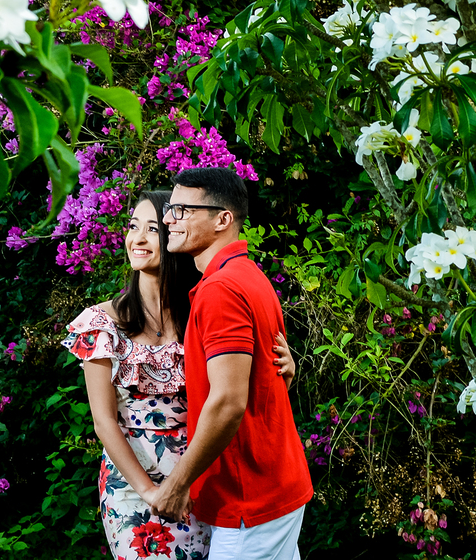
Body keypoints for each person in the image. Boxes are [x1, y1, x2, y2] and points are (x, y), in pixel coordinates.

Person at [62, 190, 296, 560]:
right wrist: (153, 492)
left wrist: (284, 370)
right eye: (133, 226)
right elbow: (103, 422)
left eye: (152, 228)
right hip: (134, 489)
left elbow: (235, 394)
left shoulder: (206, 306)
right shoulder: (101, 323)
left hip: (202, 480)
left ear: (172, 236)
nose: (137, 238)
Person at [150, 168, 313, 560]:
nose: (168, 218)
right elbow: (265, 379)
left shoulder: (221, 289)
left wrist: (177, 482)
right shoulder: (247, 275)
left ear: (223, 219)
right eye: (170, 208)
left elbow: (228, 402)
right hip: (271, 487)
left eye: (182, 210)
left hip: (251, 498)